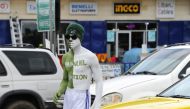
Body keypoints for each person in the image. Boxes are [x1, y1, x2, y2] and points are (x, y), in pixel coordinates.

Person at [53, 23, 103, 109]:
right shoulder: (66, 57)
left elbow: (99, 81)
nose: (70, 39)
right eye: (68, 37)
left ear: (80, 38)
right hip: (68, 95)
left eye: (74, 37)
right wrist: (59, 91)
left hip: (82, 95)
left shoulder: (90, 56)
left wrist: (97, 101)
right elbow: (65, 79)